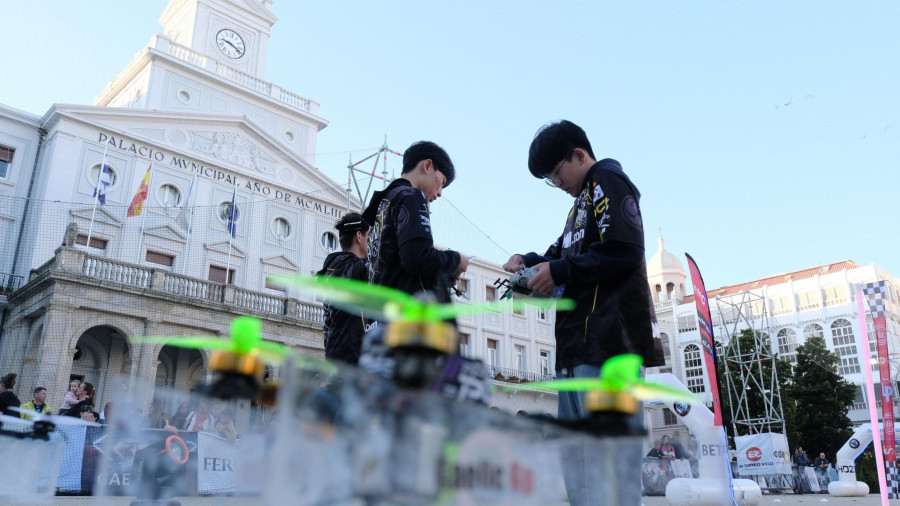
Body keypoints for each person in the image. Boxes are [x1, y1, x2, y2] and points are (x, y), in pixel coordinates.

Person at [503, 120, 664, 423]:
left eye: (556, 173)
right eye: (549, 179)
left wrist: (560, 271)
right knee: (580, 464)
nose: (557, 183)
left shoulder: (607, 179)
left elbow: (626, 247)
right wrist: (525, 261)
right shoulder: (579, 205)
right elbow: (557, 255)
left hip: (609, 349)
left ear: (578, 155)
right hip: (576, 351)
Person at [362, 141, 469, 307]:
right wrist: (456, 260)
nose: (440, 193)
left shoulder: (384, 204)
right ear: (427, 165)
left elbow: (399, 266)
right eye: (441, 182)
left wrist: (443, 275)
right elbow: (417, 257)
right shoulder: (411, 195)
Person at [316, 212, 370, 364]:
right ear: (359, 236)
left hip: (336, 357)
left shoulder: (332, 268)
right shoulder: (350, 267)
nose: (371, 242)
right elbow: (379, 267)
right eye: (369, 237)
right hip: (352, 361)